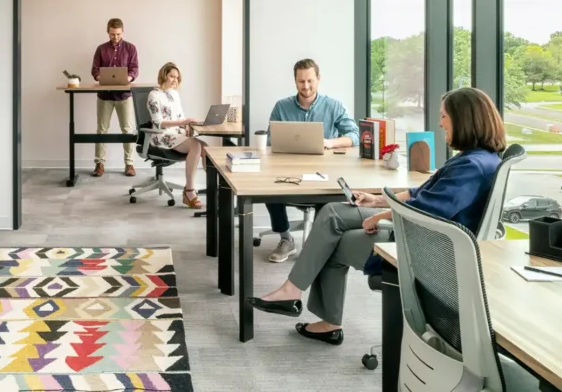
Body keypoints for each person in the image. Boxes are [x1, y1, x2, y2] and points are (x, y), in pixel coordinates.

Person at [249, 87, 506, 346]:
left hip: (423, 246)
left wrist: (379, 215)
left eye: (444, 117)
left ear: (464, 119)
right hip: (418, 231)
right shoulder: (476, 159)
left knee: (330, 241)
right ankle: (295, 295)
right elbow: (422, 193)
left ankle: (318, 315)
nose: (440, 123)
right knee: (331, 212)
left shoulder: (472, 167)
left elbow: (425, 211)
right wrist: (378, 200)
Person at [264, 59, 360, 263]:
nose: (305, 86)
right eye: (301, 81)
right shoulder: (282, 107)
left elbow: (354, 135)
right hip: (288, 168)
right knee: (267, 190)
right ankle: (286, 238)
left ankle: (318, 245)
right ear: (295, 81)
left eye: (310, 80)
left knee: (325, 195)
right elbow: (270, 139)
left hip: (322, 171)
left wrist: (330, 143)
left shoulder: (334, 106)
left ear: (318, 79)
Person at [146, 62, 207, 209]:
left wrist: (187, 124)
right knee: (196, 145)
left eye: (177, 77)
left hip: (176, 134)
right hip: (161, 136)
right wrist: (182, 121)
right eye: (171, 76)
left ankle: (215, 187)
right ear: (164, 75)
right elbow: (158, 122)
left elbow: (180, 116)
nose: (175, 80)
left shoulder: (174, 94)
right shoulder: (154, 95)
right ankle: (189, 191)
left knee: (205, 147)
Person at [91, 18, 139, 178]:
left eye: (118, 34)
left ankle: (130, 164)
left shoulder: (131, 48)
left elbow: (134, 69)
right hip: (104, 95)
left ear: (122, 32)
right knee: (101, 130)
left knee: (127, 130)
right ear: (108, 32)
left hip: (124, 95)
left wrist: (128, 79)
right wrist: (100, 77)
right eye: (112, 34)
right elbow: (95, 70)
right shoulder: (101, 49)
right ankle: (99, 163)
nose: (116, 37)